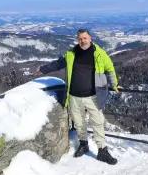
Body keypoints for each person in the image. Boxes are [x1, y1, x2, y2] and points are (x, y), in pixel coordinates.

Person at [36, 28, 119, 165]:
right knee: (79, 123)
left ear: (90, 38)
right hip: (74, 96)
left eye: (85, 38)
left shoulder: (99, 53)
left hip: (93, 95)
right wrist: (43, 69)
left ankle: (102, 151)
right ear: (77, 40)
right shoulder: (71, 54)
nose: (82, 41)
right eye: (80, 38)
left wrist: (115, 85)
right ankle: (83, 144)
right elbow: (58, 64)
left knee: (97, 123)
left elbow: (110, 69)